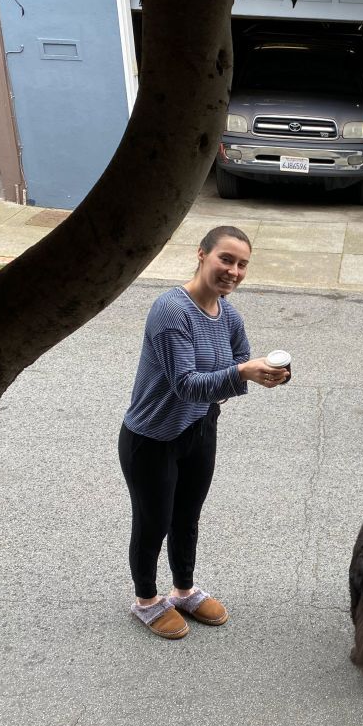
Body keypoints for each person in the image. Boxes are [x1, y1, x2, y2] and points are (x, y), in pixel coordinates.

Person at [119, 226, 290, 639]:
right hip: (152, 438)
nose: (233, 270)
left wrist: (264, 374)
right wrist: (243, 373)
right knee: (153, 520)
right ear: (202, 255)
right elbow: (187, 384)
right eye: (225, 259)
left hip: (199, 427)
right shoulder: (171, 310)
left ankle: (184, 590)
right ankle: (146, 600)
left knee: (187, 516)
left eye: (242, 264)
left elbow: (238, 360)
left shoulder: (229, 314)